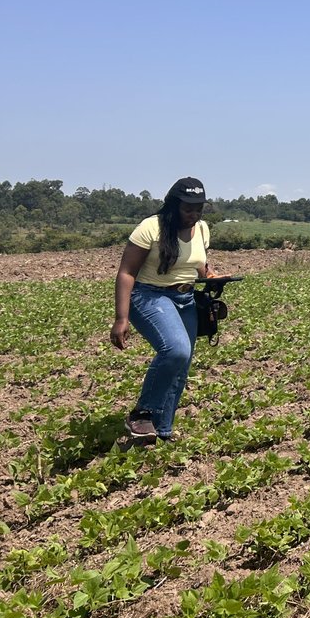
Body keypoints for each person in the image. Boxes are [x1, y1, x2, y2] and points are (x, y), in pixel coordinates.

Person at [111, 177, 219, 442]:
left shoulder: (202, 229)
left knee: (181, 366)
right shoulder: (151, 228)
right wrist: (121, 318)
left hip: (186, 299)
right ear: (173, 206)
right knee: (176, 350)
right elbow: (126, 272)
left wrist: (211, 276)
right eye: (187, 209)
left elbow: (198, 264)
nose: (194, 215)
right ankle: (142, 413)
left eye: (198, 209)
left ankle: (162, 431)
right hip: (149, 295)